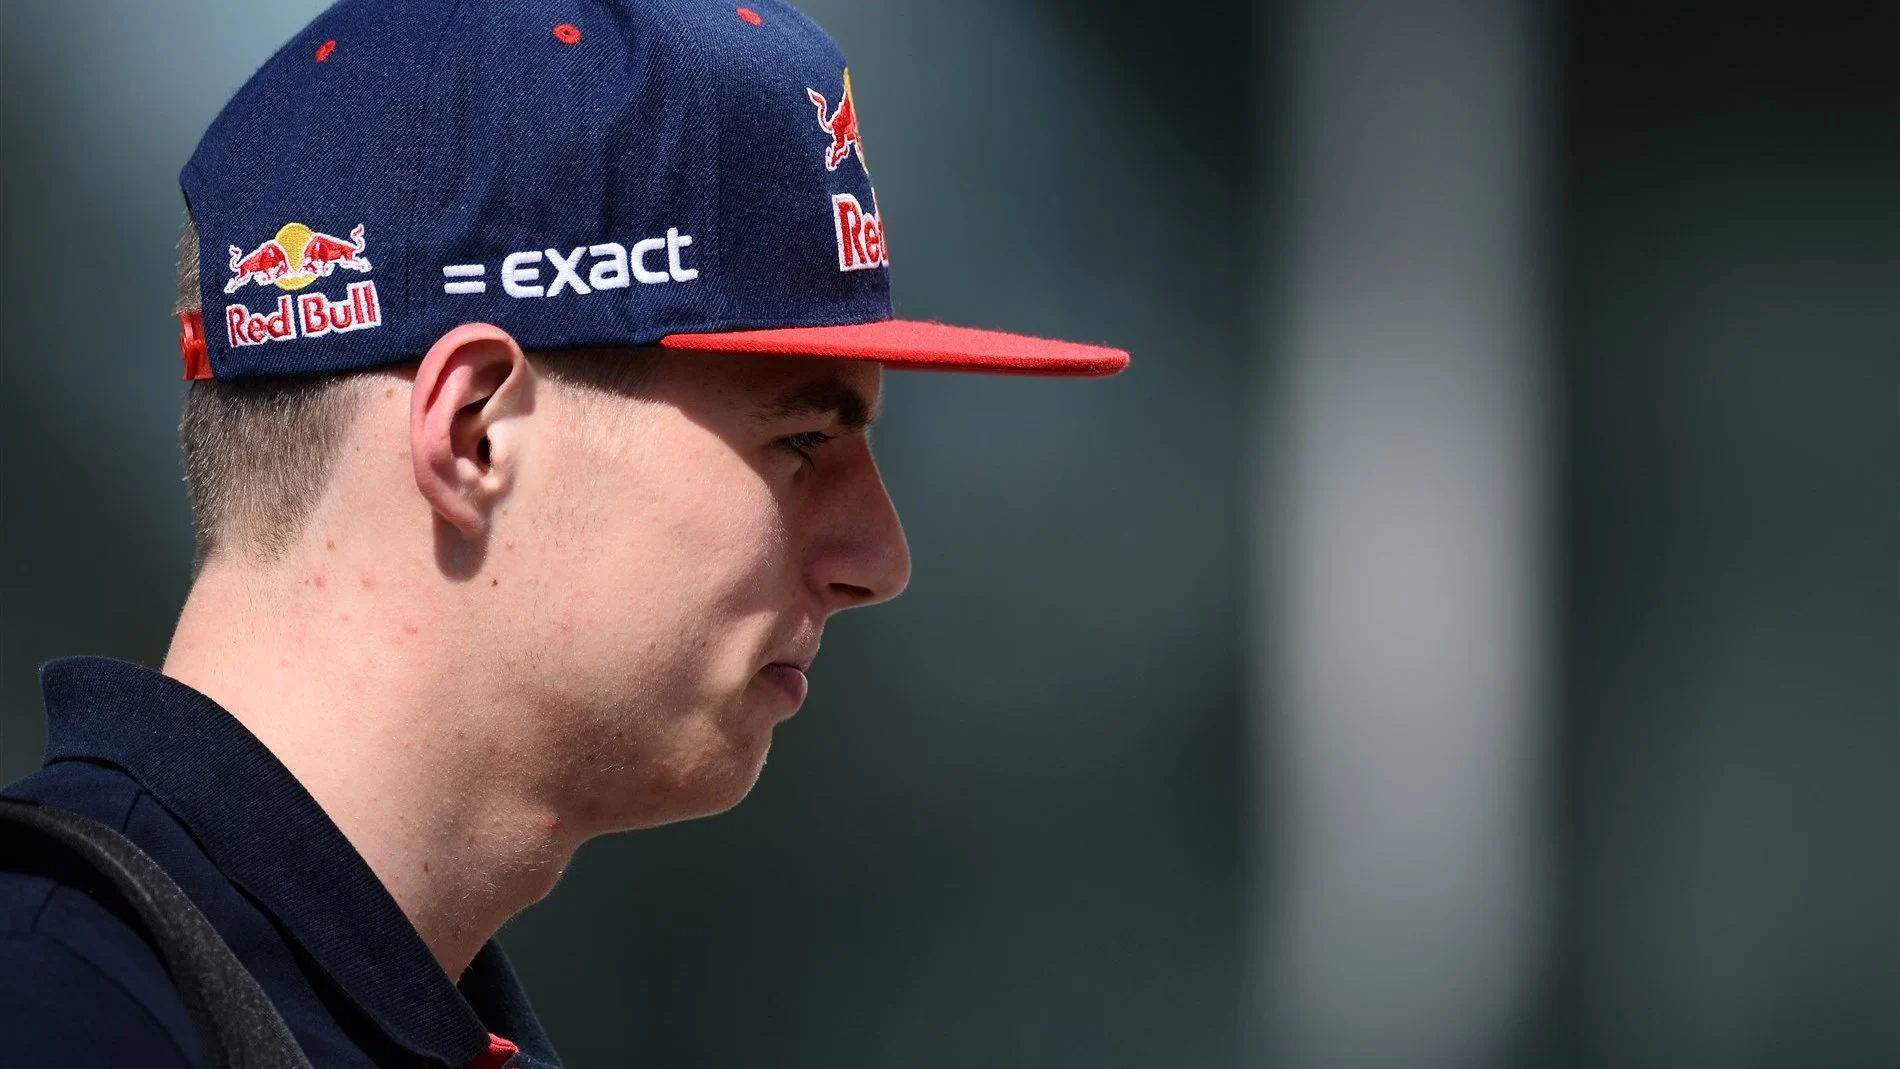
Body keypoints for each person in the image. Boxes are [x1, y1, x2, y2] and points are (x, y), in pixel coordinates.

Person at [0, 0, 1127, 1066]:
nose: (880, 558)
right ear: (476, 435)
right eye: (800, 439)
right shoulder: (58, 1006)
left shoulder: (272, 1000)